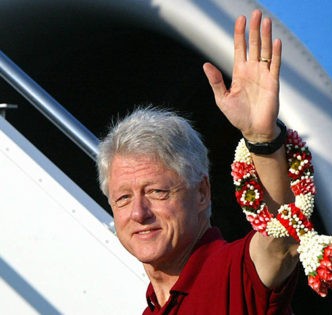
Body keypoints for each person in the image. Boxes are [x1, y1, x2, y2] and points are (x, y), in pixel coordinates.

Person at [97, 9, 299, 314]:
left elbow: (281, 239)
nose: (138, 213)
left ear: (202, 193)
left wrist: (262, 137)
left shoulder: (235, 272)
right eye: (123, 198)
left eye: (157, 192)